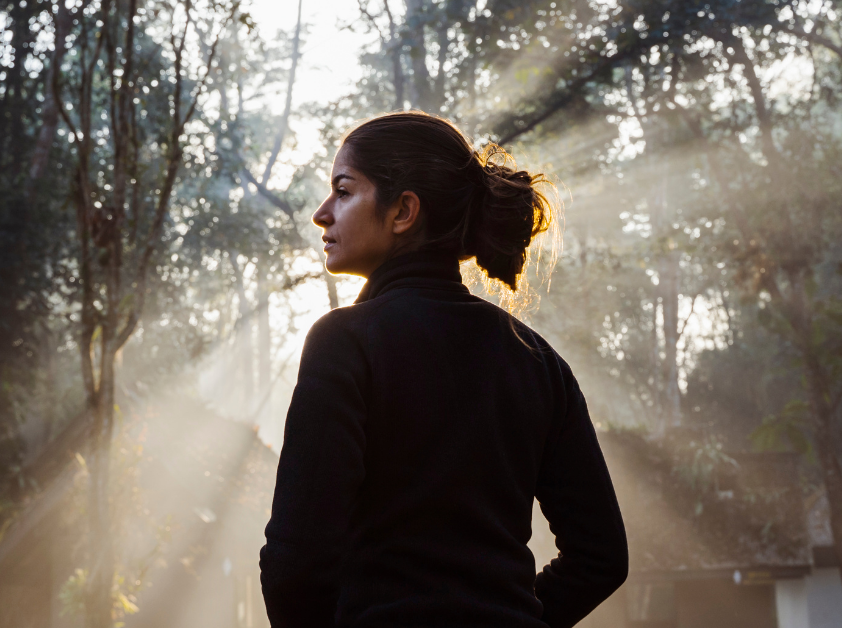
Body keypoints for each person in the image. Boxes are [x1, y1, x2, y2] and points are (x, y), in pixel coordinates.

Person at [259, 112, 628, 628]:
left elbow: (295, 560)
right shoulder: (539, 362)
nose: (322, 214)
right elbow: (602, 558)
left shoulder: (343, 342)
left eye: (343, 191)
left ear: (403, 211)